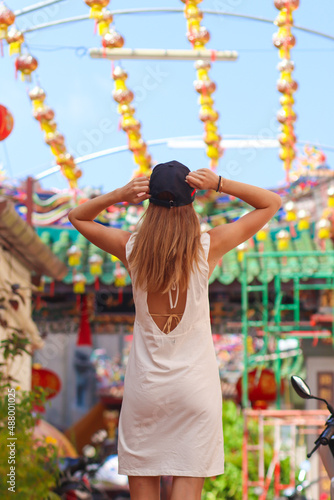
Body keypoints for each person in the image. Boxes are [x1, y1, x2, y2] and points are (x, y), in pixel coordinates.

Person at [68, 160, 282, 500]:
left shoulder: (133, 249)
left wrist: (121, 194)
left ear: (148, 200)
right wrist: (221, 183)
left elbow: (77, 217)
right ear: (193, 197)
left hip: (146, 390)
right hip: (195, 389)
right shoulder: (207, 248)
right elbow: (272, 202)